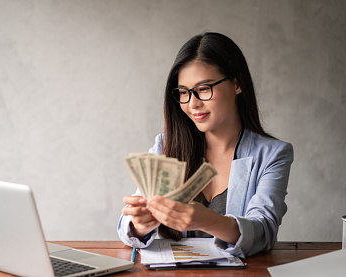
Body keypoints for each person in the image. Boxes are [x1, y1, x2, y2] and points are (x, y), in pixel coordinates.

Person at [117, 32, 294, 258]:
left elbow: (264, 231)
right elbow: (126, 229)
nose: (193, 104)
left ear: (237, 84)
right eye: (184, 92)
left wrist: (208, 221)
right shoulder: (166, 146)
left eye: (203, 89)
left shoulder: (272, 154)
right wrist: (140, 225)